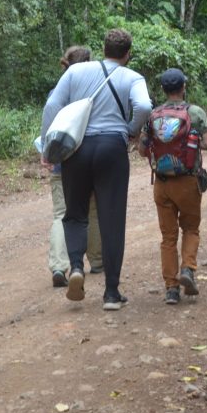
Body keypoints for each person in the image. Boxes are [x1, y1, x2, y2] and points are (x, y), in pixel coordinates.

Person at [41, 28, 152, 309]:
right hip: (112, 149)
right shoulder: (132, 76)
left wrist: (47, 146)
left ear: (103, 48)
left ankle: (76, 266)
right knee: (111, 220)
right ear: (127, 53)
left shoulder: (77, 72)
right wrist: (129, 130)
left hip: (76, 150)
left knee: (75, 213)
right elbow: (143, 106)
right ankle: (112, 294)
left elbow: (52, 104)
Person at [139, 68, 207, 305]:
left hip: (161, 184)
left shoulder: (152, 116)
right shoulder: (195, 112)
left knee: (168, 237)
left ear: (163, 89)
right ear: (183, 87)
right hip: (188, 181)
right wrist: (190, 143)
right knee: (191, 229)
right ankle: (188, 270)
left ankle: (171, 289)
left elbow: (142, 149)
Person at [44, 46, 104, 288]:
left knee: (62, 214)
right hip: (89, 159)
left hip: (62, 162)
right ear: (89, 63)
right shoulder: (97, 92)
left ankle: (59, 266)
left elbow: (50, 119)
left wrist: (46, 153)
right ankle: (98, 260)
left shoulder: (57, 91)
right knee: (91, 211)